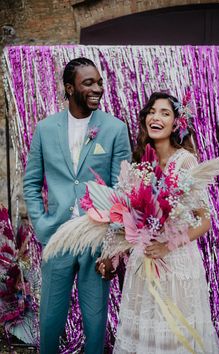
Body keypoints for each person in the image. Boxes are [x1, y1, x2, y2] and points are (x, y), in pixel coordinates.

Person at [23, 57, 131, 354]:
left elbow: (122, 191)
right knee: (50, 320)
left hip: (96, 239)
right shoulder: (45, 129)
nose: (97, 88)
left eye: (99, 83)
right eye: (88, 83)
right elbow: (31, 184)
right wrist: (43, 226)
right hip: (56, 238)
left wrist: (112, 245)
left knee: (95, 322)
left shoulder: (114, 129)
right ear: (69, 88)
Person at [112, 92, 219, 354]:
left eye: (165, 112)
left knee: (175, 335)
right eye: (152, 111)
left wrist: (166, 246)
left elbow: (204, 221)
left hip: (175, 264)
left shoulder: (185, 161)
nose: (156, 117)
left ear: (177, 123)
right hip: (145, 261)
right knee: (146, 336)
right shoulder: (142, 163)